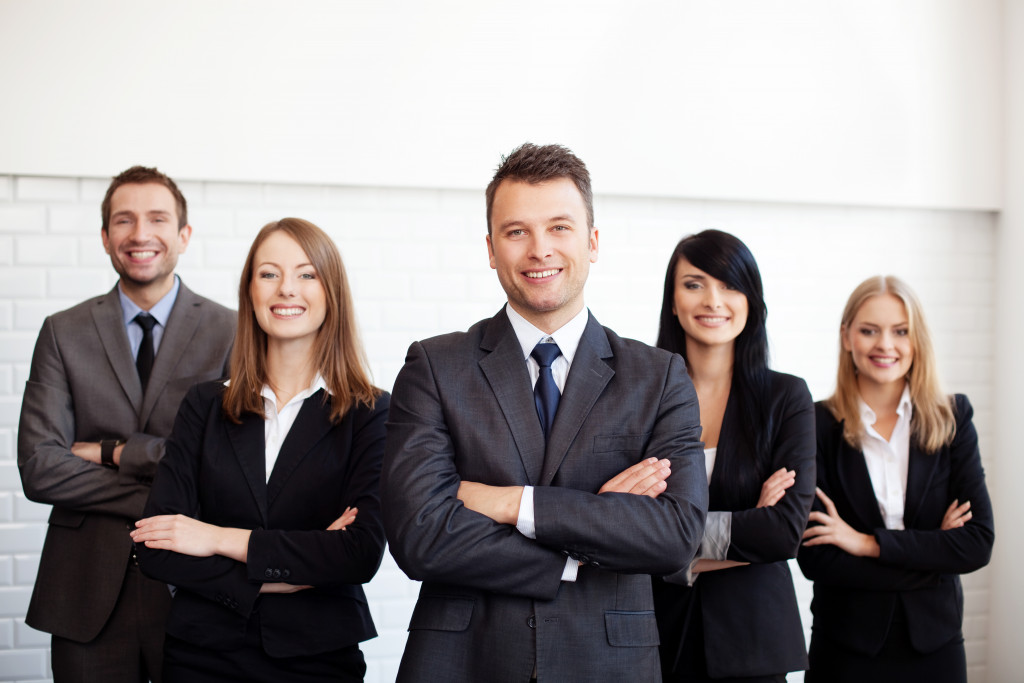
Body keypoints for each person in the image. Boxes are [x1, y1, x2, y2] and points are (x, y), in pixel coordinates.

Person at [382, 142, 708, 682]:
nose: (540, 250)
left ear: (593, 241)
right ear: (491, 248)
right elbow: (420, 536)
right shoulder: (435, 367)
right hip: (464, 663)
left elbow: (674, 535)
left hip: (607, 664)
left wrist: (512, 503)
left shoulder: (659, 376)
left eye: (559, 227)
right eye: (517, 232)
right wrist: (586, 543)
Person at [130, 218, 388, 683]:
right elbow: (157, 548)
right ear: (250, 291)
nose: (287, 288)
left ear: (332, 292)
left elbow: (358, 552)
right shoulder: (205, 406)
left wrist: (213, 537)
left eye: (307, 274)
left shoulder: (371, 411)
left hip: (318, 660)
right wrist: (291, 572)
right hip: (201, 658)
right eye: (269, 273)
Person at [17, 166, 235, 683]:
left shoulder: (232, 331)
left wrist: (114, 452)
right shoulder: (62, 332)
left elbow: (226, 464)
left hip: (195, 593)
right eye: (124, 220)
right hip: (83, 595)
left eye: (157, 218)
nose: (140, 234)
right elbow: (40, 468)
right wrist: (168, 496)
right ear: (104, 237)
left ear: (184, 235)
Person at [798, 275, 994, 682]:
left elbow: (976, 544)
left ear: (916, 339)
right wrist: (934, 553)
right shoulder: (814, 423)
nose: (885, 345)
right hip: (845, 647)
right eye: (869, 330)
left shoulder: (953, 418)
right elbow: (817, 558)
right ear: (847, 336)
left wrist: (865, 543)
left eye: (900, 331)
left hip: (936, 645)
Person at [651, 230, 815, 682]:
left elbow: (784, 532)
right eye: (694, 283)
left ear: (751, 300)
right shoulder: (640, 398)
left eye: (729, 285)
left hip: (753, 642)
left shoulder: (786, 397)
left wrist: (675, 549)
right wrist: (745, 528)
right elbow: (622, 526)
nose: (713, 300)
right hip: (656, 636)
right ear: (672, 300)